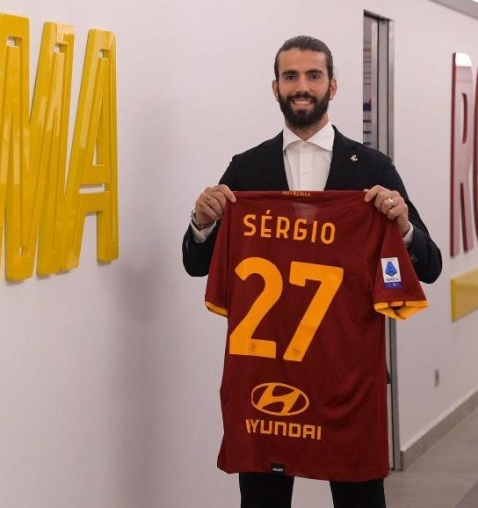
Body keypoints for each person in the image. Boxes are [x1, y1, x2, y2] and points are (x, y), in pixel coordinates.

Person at [182, 35, 442, 508]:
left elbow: (430, 266)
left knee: (359, 499)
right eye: (291, 77)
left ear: (333, 86)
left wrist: (402, 227)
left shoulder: (372, 169)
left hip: (348, 377)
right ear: (275, 87)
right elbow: (196, 262)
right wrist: (202, 222)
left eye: (313, 76)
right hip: (267, 377)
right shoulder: (247, 169)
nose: (302, 87)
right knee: (262, 499)